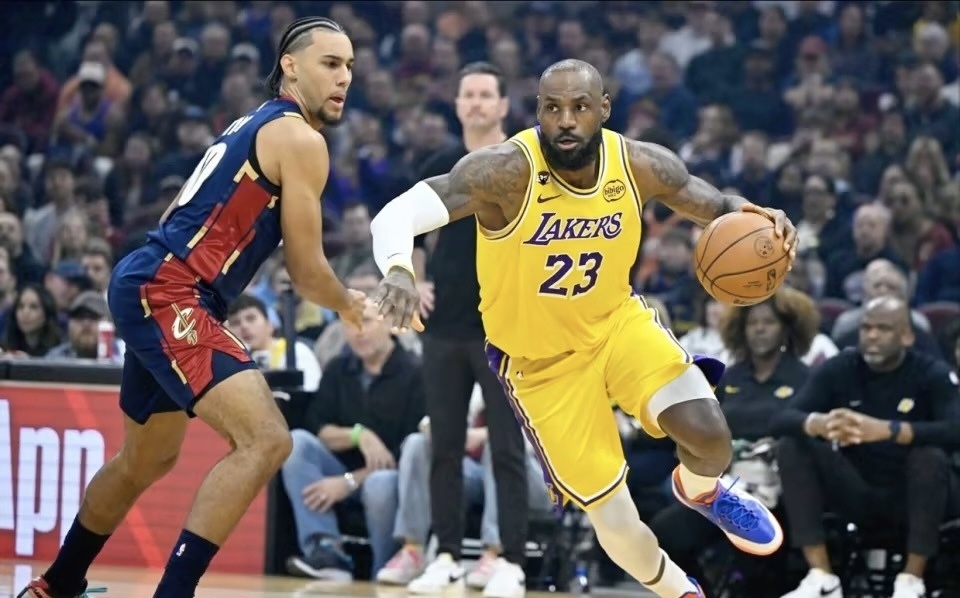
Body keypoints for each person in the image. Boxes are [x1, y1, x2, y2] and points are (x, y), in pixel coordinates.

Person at [369, 59, 798, 598]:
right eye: (553, 108)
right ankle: (680, 591)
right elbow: (395, 215)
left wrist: (761, 219)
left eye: (579, 107)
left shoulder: (638, 164)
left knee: (711, 436)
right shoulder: (504, 172)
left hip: (616, 327)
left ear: (604, 109)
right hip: (541, 366)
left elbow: (718, 207)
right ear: (538, 112)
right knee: (615, 519)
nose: (566, 120)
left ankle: (702, 490)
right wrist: (399, 269)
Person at [19, 17, 366, 598]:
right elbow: (307, 272)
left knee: (147, 459)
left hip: (153, 278)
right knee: (266, 439)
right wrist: (350, 304)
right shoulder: (301, 140)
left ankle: (55, 585)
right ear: (289, 65)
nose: (344, 77)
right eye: (330, 63)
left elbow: (182, 215)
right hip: (173, 289)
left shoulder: (250, 124)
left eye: (350, 66)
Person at [407, 61, 531, 598]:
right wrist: (413, 279)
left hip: (504, 329)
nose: (477, 103)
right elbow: (409, 231)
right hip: (444, 328)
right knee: (444, 447)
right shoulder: (439, 164)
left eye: (486, 95)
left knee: (507, 448)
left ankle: (512, 561)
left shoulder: (524, 163)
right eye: (469, 95)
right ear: (457, 105)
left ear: (502, 105)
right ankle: (447, 556)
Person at [772, 297, 960, 598]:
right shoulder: (841, 367)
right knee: (792, 445)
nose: (872, 336)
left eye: (883, 329)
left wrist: (889, 430)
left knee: (929, 456)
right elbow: (781, 419)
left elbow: (954, 429)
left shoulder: (930, 372)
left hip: (912, 494)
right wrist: (819, 423)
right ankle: (822, 577)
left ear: (906, 336)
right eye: (866, 328)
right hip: (855, 487)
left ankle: (911, 580)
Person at [652, 287, 819, 596]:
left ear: (787, 328)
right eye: (752, 323)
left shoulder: (804, 377)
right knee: (664, 534)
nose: (759, 329)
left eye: (768, 322)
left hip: (781, 489)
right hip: (727, 485)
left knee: (759, 566)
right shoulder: (731, 377)